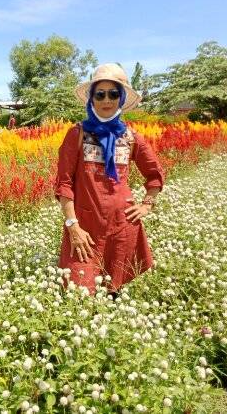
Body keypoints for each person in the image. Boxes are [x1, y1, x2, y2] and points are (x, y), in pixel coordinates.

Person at [54, 63, 165, 296]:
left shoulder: (131, 137)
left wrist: (147, 204)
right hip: (84, 228)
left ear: (121, 98)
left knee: (113, 292)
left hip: (121, 228)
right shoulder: (78, 134)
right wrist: (72, 226)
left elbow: (154, 174)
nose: (107, 100)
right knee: (81, 292)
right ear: (91, 99)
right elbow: (64, 185)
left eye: (113, 94)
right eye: (100, 94)